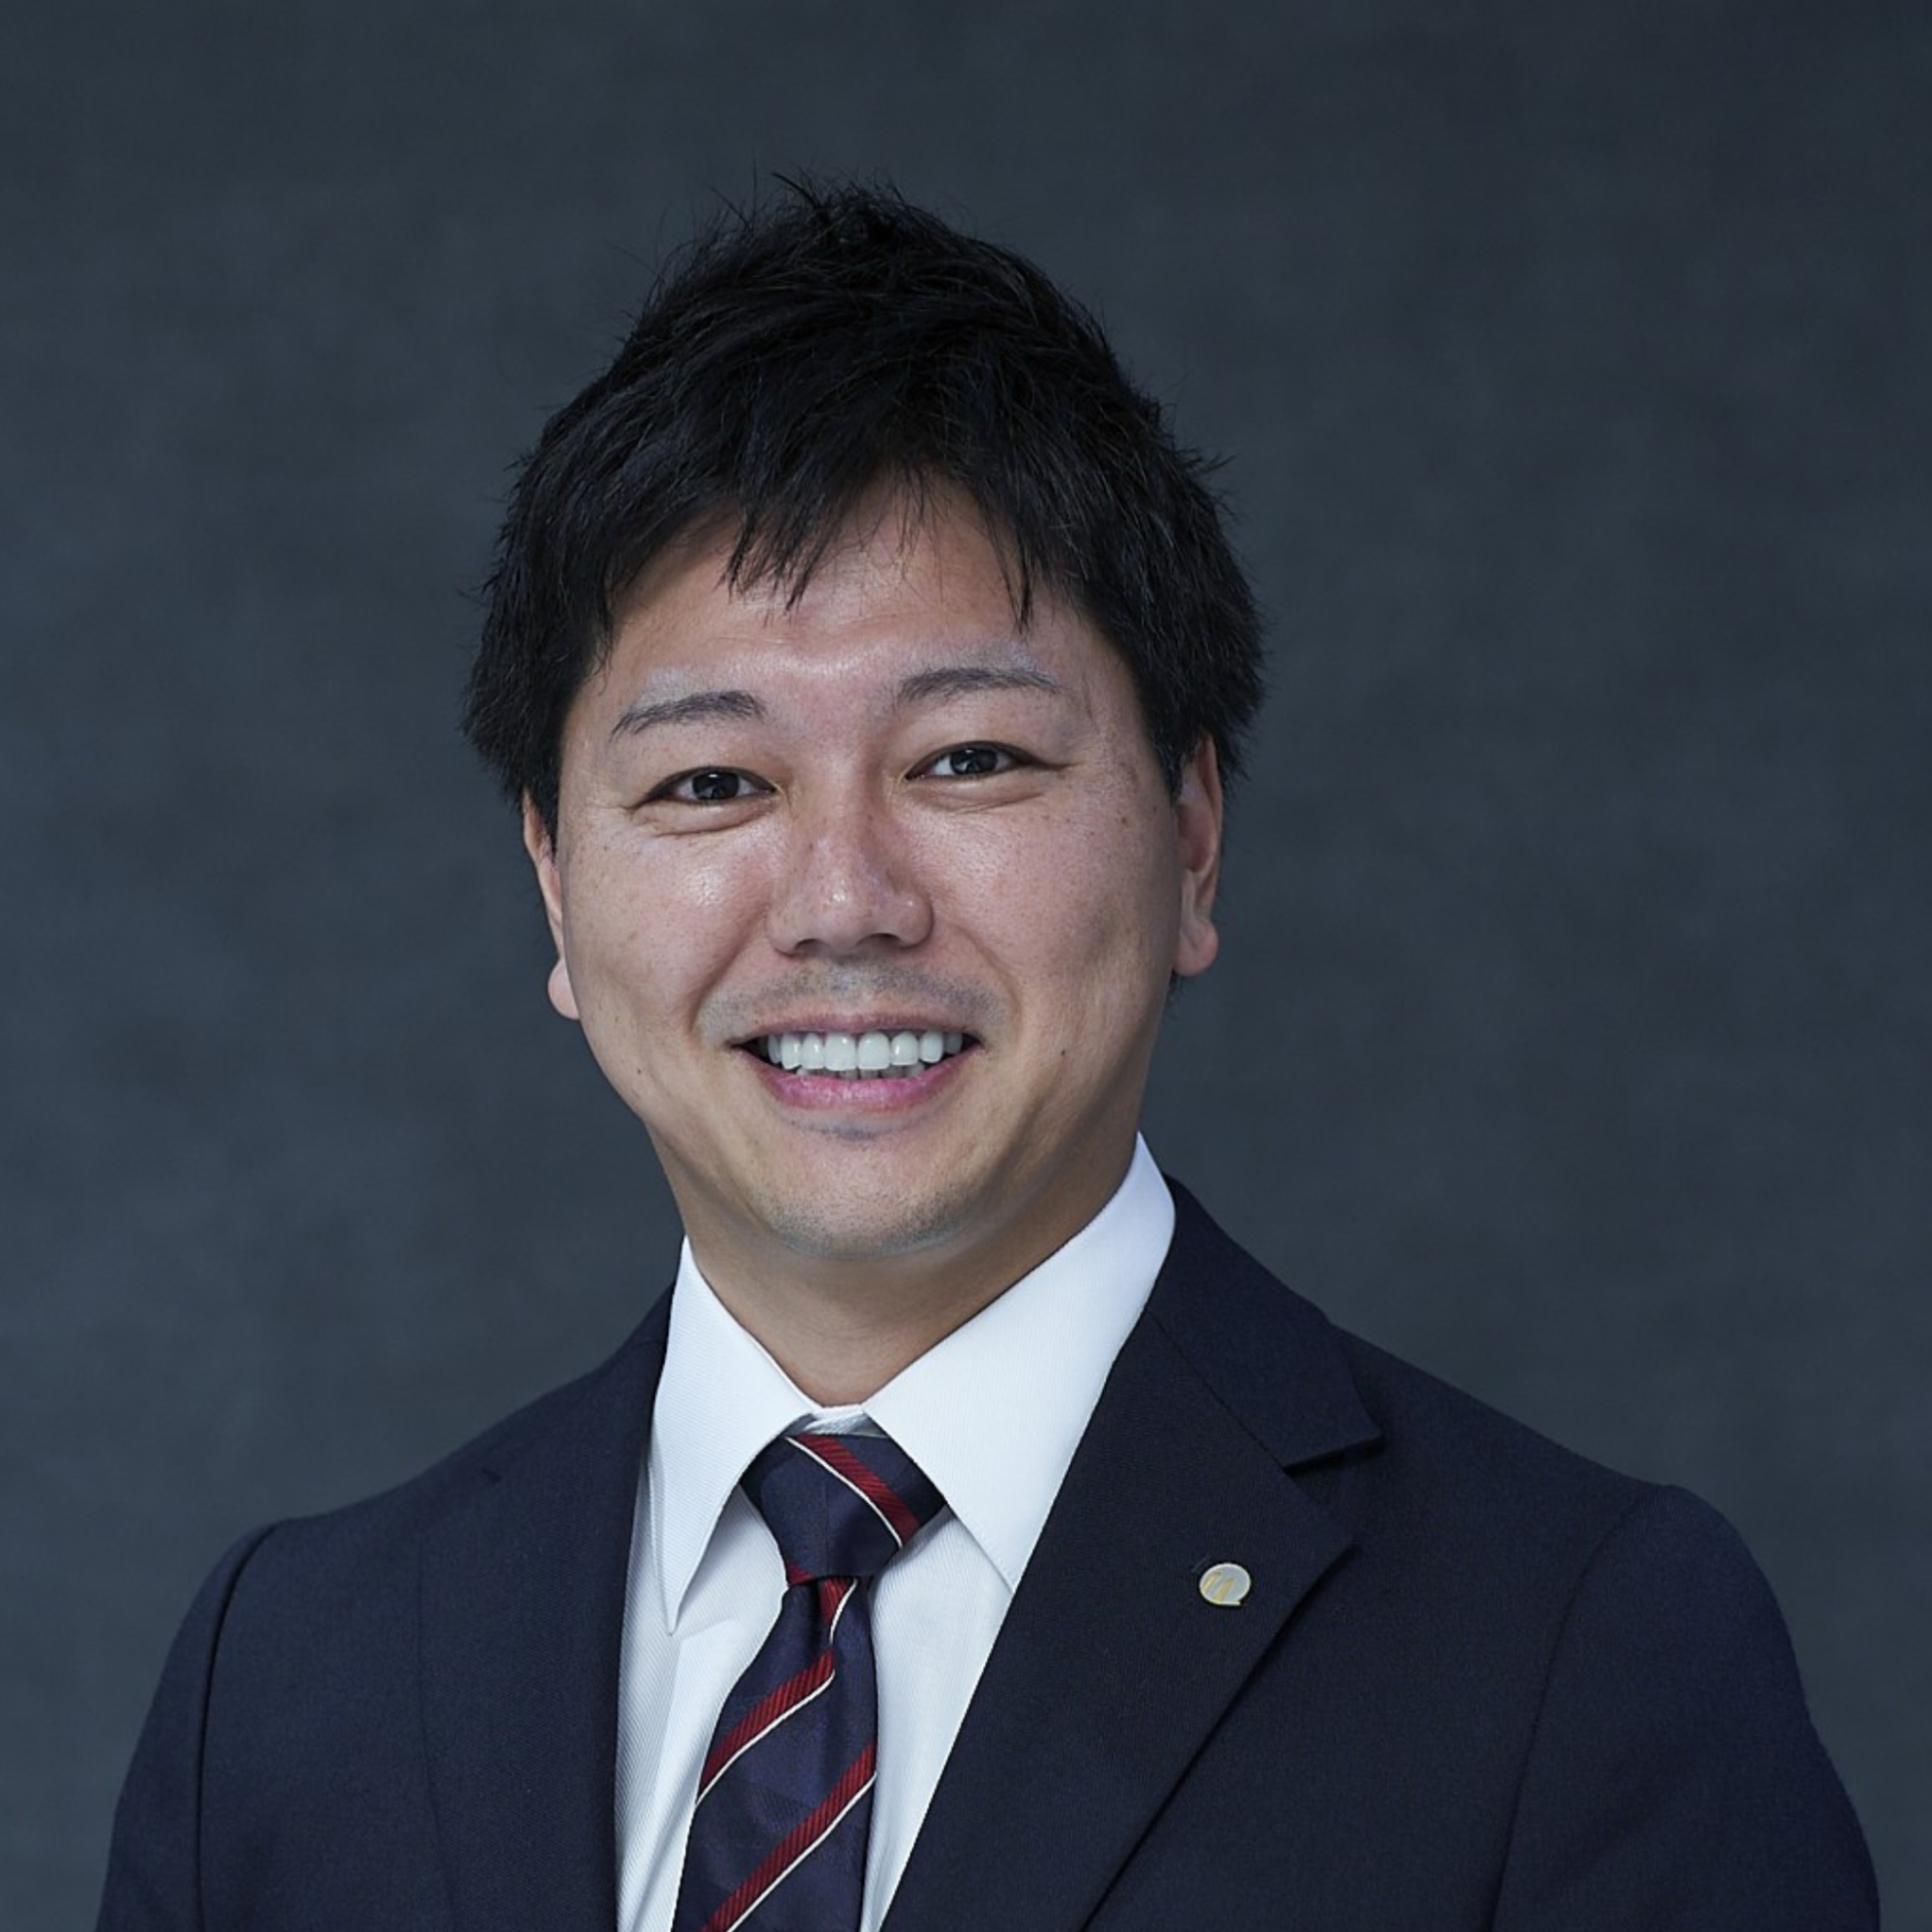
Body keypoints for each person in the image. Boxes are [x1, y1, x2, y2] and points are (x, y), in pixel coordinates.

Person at [97, 183, 1877, 1932]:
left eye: (968, 760)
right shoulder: (290, 1676)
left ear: (1191, 835)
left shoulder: (1575, 1653)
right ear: (556, 885)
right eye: (710, 781)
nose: (843, 903)